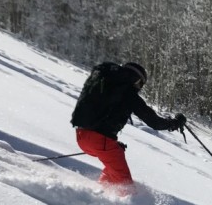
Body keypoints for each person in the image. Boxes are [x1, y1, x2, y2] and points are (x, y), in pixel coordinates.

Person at [71, 61, 186, 192]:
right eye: (140, 83)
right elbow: (155, 122)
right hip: (101, 141)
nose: (139, 87)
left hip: (82, 135)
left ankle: (103, 193)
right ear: (135, 79)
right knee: (126, 186)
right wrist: (175, 123)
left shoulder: (107, 86)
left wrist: (110, 142)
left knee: (114, 163)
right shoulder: (129, 94)